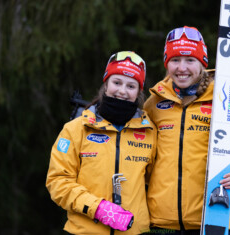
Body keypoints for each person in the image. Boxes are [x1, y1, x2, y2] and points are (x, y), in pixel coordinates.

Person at [143, 26, 230, 234]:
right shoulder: (155, 103)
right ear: (167, 63)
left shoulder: (226, 99)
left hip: (212, 218)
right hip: (161, 221)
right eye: (175, 60)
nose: (182, 68)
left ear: (202, 63)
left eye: (190, 60)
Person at [46, 51, 157, 235]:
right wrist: (97, 208)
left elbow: (159, 182)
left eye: (131, 85)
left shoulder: (149, 132)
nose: (122, 91)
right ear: (106, 84)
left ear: (139, 92)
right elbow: (58, 182)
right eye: (117, 82)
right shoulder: (76, 129)